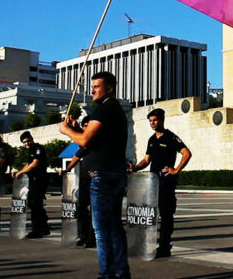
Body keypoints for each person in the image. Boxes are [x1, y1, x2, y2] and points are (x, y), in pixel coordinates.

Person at [60, 71, 130, 279]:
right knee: (114, 226)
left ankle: (106, 273)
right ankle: (120, 271)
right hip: (113, 173)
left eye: (97, 86)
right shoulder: (113, 110)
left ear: (110, 87)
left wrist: (66, 130)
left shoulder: (105, 109)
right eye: (92, 87)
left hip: (104, 175)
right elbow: (94, 140)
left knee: (101, 229)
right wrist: (75, 130)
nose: (92, 90)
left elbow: (85, 141)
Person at [128, 108, 192, 258]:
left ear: (162, 120)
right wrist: (135, 168)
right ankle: (145, 243)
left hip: (166, 183)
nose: (152, 123)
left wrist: (176, 169)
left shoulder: (170, 137)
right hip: (152, 183)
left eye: (155, 120)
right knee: (149, 213)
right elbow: (146, 160)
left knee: (166, 214)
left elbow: (186, 153)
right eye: (150, 121)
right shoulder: (152, 139)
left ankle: (164, 247)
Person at [60, 116, 95, 248]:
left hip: (96, 180)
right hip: (85, 180)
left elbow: (83, 138)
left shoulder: (95, 141)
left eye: (88, 126)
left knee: (94, 211)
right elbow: (76, 157)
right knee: (81, 208)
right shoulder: (85, 145)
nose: (86, 128)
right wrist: (66, 169)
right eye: (84, 125)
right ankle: (83, 235)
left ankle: (92, 238)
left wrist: (73, 128)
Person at [12, 131, 50, 238]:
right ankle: (44, 228)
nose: (26, 144)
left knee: (35, 205)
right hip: (33, 180)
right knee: (35, 204)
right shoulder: (30, 151)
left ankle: (36, 230)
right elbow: (28, 164)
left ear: (31, 139)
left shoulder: (38, 148)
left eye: (28, 141)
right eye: (24, 142)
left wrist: (21, 172)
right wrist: (19, 172)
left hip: (39, 180)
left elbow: (35, 163)